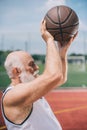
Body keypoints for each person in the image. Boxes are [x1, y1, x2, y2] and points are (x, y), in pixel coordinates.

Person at [1, 20, 77, 130]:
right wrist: (49, 40)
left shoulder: (28, 86)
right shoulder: (12, 96)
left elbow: (60, 78)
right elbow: (54, 76)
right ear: (16, 71)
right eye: (31, 65)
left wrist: (62, 52)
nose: (37, 67)